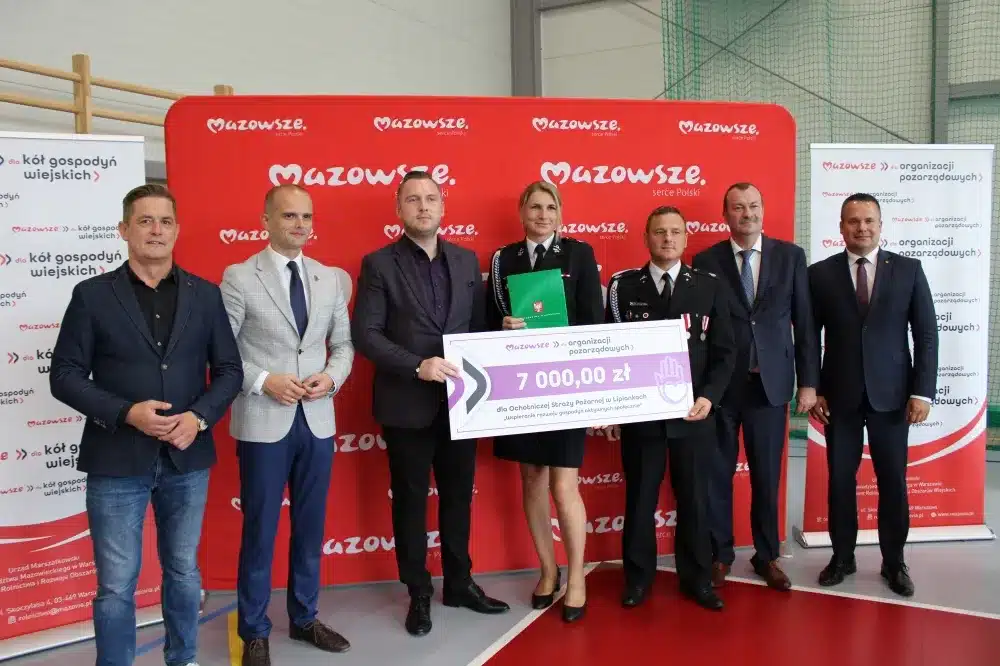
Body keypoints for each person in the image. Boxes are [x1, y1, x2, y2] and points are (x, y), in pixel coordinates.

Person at [49, 183, 243, 666]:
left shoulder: (206, 295)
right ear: (124, 230)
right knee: (116, 584)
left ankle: (183, 659)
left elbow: (229, 370)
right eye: (145, 221)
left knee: (183, 571)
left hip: (187, 458)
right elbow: (65, 375)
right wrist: (126, 412)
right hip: (116, 459)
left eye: (165, 221)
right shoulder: (92, 296)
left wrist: (199, 417)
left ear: (177, 230)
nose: (156, 230)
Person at [351, 170, 509, 637]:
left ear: (443, 206)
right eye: (413, 199)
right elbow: (366, 334)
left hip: (462, 402)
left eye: (431, 198)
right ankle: (418, 591)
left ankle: (459, 583)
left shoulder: (466, 261)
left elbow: (477, 329)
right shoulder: (379, 264)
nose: (423, 206)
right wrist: (416, 365)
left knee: (458, 497)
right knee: (411, 502)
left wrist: (502, 333)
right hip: (407, 403)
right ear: (398, 209)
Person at [219, 184, 356, 666]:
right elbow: (223, 352)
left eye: (306, 217)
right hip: (264, 421)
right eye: (289, 216)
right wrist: (264, 381)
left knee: (310, 527)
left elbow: (344, 346)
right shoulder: (239, 277)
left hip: (316, 421)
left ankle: (304, 618)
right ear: (266, 221)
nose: (299, 225)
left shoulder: (328, 278)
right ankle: (254, 630)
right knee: (260, 529)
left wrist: (330, 378)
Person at [604, 205, 736, 612]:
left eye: (675, 232)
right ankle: (638, 580)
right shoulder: (623, 286)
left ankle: (697, 580)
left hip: (693, 415)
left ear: (685, 238)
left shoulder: (709, 287)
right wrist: (614, 409)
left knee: (695, 501)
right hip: (642, 418)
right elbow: (610, 351)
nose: (667, 238)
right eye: (660, 232)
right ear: (646, 238)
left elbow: (725, 352)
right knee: (640, 501)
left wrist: (709, 397)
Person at [484, 180, 603, 623]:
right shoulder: (503, 259)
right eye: (535, 207)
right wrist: (503, 324)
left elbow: (594, 322)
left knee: (564, 485)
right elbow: (487, 321)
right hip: (521, 386)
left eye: (550, 207)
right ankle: (548, 569)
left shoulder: (579, 254)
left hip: (566, 383)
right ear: (522, 212)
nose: (543, 215)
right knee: (532, 478)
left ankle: (577, 577)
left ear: (560, 213)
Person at [808, 192, 937, 597]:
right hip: (838, 398)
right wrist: (815, 389)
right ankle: (842, 557)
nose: (861, 228)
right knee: (840, 480)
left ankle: (894, 563)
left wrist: (923, 392)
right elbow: (809, 337)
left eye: (868, 221)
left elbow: (927, 335)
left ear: (881, 225)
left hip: (893, 397)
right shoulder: (820, 274)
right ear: (841, 227)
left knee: (893, 481)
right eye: (853, 221)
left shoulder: (909, 270)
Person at [692, 182, 819, 590]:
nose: (746, 214)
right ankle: (720, 554)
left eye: (753, 206)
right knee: (717, 475)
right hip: (721, 389)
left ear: (763, 209)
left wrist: (809, 383)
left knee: (767, 477)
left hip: (771, 386)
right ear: (725, 214)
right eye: (738, 207)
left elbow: (805, 323)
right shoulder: (705, 260)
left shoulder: (791, 256)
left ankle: (767, 556)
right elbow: (698, 329)